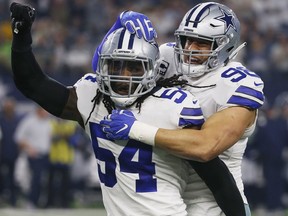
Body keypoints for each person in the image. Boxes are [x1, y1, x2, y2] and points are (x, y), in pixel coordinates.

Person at [10, 2, 246, 215]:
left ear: (153, 69)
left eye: (134, 67)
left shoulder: (174, 107)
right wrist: (21, 37)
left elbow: (219, 180)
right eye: (115, 65)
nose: (124, 76)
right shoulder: (93, 98)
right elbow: (33, 84)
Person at [100, 2, 265, 216]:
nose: (190, 49)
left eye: (202, 43)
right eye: (187, 40)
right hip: (165, 199)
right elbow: (107, 74)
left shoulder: (237, 83)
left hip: (216, 204)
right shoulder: (168, 58)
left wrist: (136, 129)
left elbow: (206, 147)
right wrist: (116, 29)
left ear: (226, 45)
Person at [14, 106, 52, 208]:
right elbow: (18, 137)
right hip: (34, 155)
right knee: (36, 179)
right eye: (45, 110)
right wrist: (29, 148)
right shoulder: (29, 121)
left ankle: (43, 203)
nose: (47, 112)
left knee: (45, 180)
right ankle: (31, 202)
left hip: (47, 155)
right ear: (39, 110)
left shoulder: (48, 122)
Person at [0, 97, 22, 206]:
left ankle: (13, 200)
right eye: (7, 106)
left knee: (14, 178)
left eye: (10, 106)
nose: (9, 108)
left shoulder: (18, 120)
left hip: (14, 153)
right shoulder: (1, 119)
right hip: (2, 153)